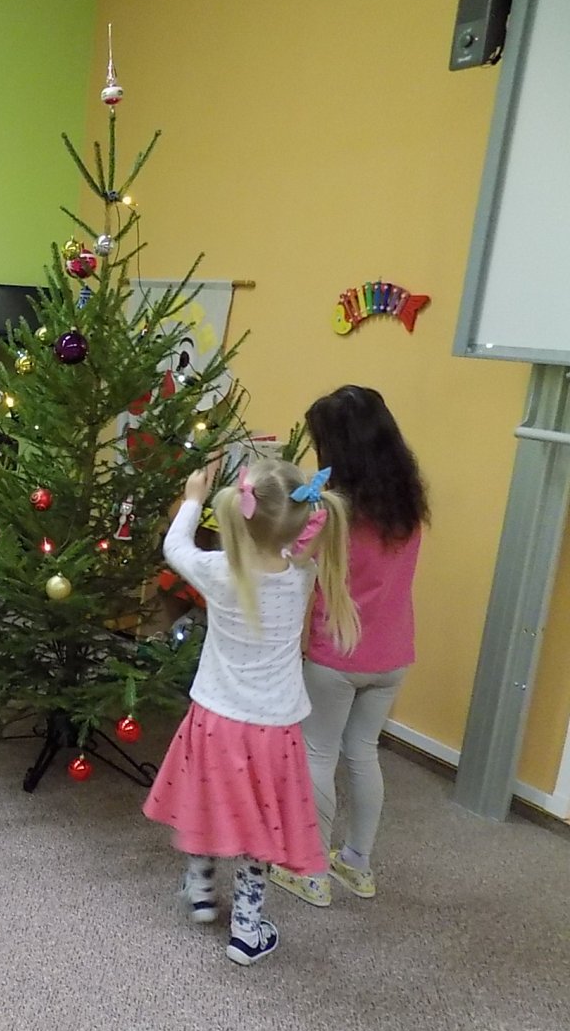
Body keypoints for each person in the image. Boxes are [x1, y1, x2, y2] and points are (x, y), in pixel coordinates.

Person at [143, 457, 359, 965]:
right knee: (259, 823)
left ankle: (200, 888)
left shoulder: (219, 571)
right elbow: (300, 542)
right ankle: (246, 927)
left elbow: (175, 548)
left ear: (238, 514)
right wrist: (305, 517)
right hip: (271, 728)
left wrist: (193, 499)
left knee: (207, 797)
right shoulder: (303, 575)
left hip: (215, 716)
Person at [269, 386, 427, 907]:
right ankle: (357, 863)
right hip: (393, 654)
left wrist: (293, 510)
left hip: (337, 655)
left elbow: (289, 557)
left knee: (318, 751)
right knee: (362, 753)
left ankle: (310, 869)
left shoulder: (332, 512)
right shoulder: (407, 504)